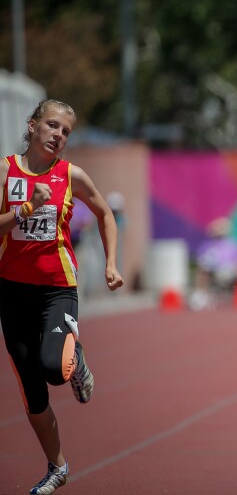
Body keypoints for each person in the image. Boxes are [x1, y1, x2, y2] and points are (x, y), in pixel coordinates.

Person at [0, 99, 124, 494]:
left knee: (55, 367)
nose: (59, 135)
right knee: (33, 392)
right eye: (52, 126)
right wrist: (24, 211)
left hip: (58, 288)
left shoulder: (72, 175)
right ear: (33, 125)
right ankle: (58, 467)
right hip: (12, 291)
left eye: (66, 131)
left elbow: (105, 213)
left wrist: (111, 264)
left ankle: (77, 357)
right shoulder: (5, 171)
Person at [188, 217, 237, 311]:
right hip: (214, 271)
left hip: (231, 271)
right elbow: (203, 262)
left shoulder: (234, 245)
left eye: (221, 229)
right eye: (217, 229)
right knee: (202, 271)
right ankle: (200, 295)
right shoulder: (207, 246)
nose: (219, 232)